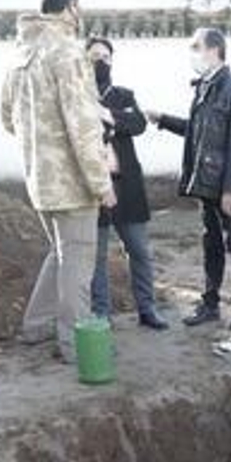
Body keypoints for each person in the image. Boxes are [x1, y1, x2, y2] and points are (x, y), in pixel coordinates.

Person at [1, 0, 117, 357]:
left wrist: (38, 145)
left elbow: (6, 117)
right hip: (71, 182)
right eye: (78, 7)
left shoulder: (21, 52)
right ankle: (76, 343)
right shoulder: (67, 52)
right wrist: (101, 183)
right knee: (77, 260)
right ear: (70, 7)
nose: (80, 14)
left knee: (60, 252)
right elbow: (83, 127)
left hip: (39, 178)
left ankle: (36, 326)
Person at [146, 28, 231, 330]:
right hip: (207, 185)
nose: (192, 54)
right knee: (211, 245)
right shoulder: (205, 88)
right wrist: (163, 120)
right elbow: (197, 131)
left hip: (226, 186)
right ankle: (210, 305)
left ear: (214, 50)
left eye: (195, 47)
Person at [85, 36, 168, 331]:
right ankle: (101, 314)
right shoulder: (78, 96)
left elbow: (138, 124)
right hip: (93, 188)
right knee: (97, 257)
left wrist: (106, 114)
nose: (101, 62)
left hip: (127, 186)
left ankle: (147, 309)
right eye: (95, 57)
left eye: (106, 57)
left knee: (140, 251)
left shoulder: (123, 95)